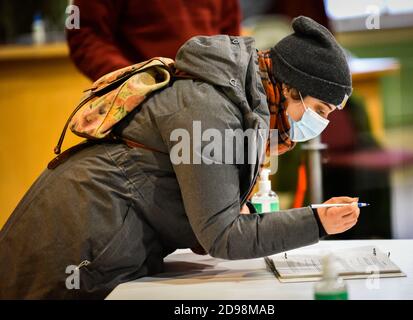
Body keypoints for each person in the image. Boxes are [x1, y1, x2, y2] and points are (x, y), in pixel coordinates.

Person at [0, 16, 356, 299]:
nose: (321, 123)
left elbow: (208, 210)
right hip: (77, 236)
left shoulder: (235, 102)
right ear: (289, 88)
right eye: (319, 109)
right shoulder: (210, 108)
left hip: (101, 234)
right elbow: (224, 236)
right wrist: (318, 221)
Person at [66, 0, 241, 80]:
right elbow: (83, 34)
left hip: (213, 103)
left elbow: (231, 36)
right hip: (142, 114)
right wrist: (134, 79)